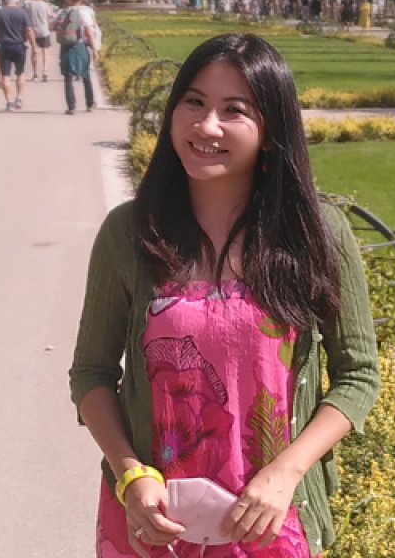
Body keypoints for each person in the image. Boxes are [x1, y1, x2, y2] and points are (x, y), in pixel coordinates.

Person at [68, 32, 379, 558]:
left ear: (271, 130)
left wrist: (286, 473)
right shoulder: (130, 234)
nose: (206, 126)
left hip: (269, 522)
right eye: (194, 102)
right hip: (152, 525)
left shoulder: (317, 235)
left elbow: (358, 374)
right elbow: (92, 373)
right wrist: (130, 474)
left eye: (234, 110)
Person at [0, 0, 36, 111]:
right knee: (20, 73)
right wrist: (34, 46)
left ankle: (9, 101)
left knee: (5, 75)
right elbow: (29, 30)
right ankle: (18, 98)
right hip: (19, 46)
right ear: (17, 1)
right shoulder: (22, 13)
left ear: (5, 0)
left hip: (4, 46)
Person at [57, 0, 99, 115]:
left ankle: (71, 106)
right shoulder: (86, 12)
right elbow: (89, 31)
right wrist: (95, 49)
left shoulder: (63, 11)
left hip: (65, 46)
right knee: (85, 74)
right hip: (80, 45)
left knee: (68, 77)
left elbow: (53, 26)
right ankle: (90, 103)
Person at [23, 0, 55, 82]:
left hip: (31, 30)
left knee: (34, 51)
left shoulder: (27, 3)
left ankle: (35, 74)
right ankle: (45, 70)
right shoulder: (45, 5)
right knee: (45, 51)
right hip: (43, 30)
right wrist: (51, 26)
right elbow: (50, 16)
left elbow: (23, 15)